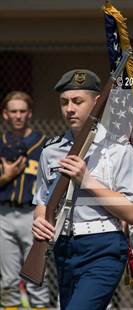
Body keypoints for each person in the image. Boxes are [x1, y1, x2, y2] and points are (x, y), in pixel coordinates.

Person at [31, 69, 133, 309]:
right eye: (64, 102)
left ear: (96, 103)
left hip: (102, 247)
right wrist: (40, 220)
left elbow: (132, 212)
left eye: (77, 101)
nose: (69, 108)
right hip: (64, 247)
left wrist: (87, 181)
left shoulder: (118, 149)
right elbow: (42, 200)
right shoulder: (51, 151)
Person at [0, 91, 50, 310]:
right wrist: (6, 177)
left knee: (36, 277)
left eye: (22, 111)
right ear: (5, 115)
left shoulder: (44, 144)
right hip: (3, 215)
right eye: (13, 111)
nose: (18, 116)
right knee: (8, 281)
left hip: (33, 215)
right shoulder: (1, 143)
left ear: (29, 113)